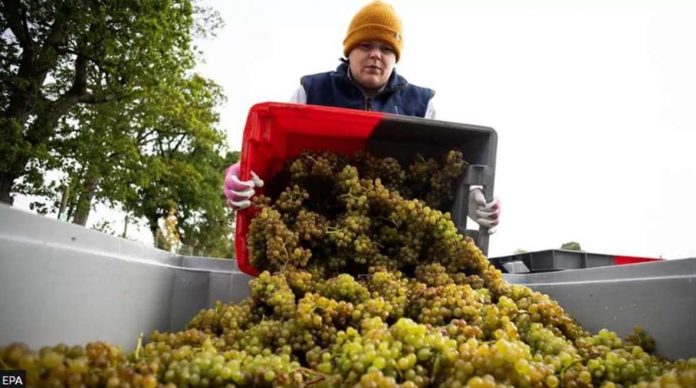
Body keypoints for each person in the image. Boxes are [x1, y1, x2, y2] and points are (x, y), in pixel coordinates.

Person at [224, 0, 500, 232]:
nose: (376, 55)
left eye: (386, 49)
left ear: (396, 57)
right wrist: (241, 171)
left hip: (394, 232)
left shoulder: (423, 104)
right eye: (366, 46)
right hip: (317, 228)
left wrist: (472, 197)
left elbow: (444, 173)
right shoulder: (311, 90)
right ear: (349, 50)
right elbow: (273, 155)